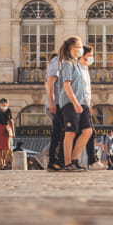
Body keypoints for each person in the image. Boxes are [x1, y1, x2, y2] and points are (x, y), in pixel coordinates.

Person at [56, 40, 94, 171]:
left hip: (82, 103)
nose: (81, 49)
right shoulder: (67, 64)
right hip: (70, 103)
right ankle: (67, 164)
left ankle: (74, 159)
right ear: (72, 48)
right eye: (79, 46)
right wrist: (75, 103)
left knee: (88, 131)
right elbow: (66, 85)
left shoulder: (77, 64)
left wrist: (86, 104)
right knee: (70, 133)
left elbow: (81, 87)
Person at [45, 40, 67, 172]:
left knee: (58, 132)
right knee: (61, 132)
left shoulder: (61, 62)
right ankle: (54, 160)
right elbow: (50, 83)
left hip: (60, 103)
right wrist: (52, 103)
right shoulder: (57, 61)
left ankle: (55, 160)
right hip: (57, 103)